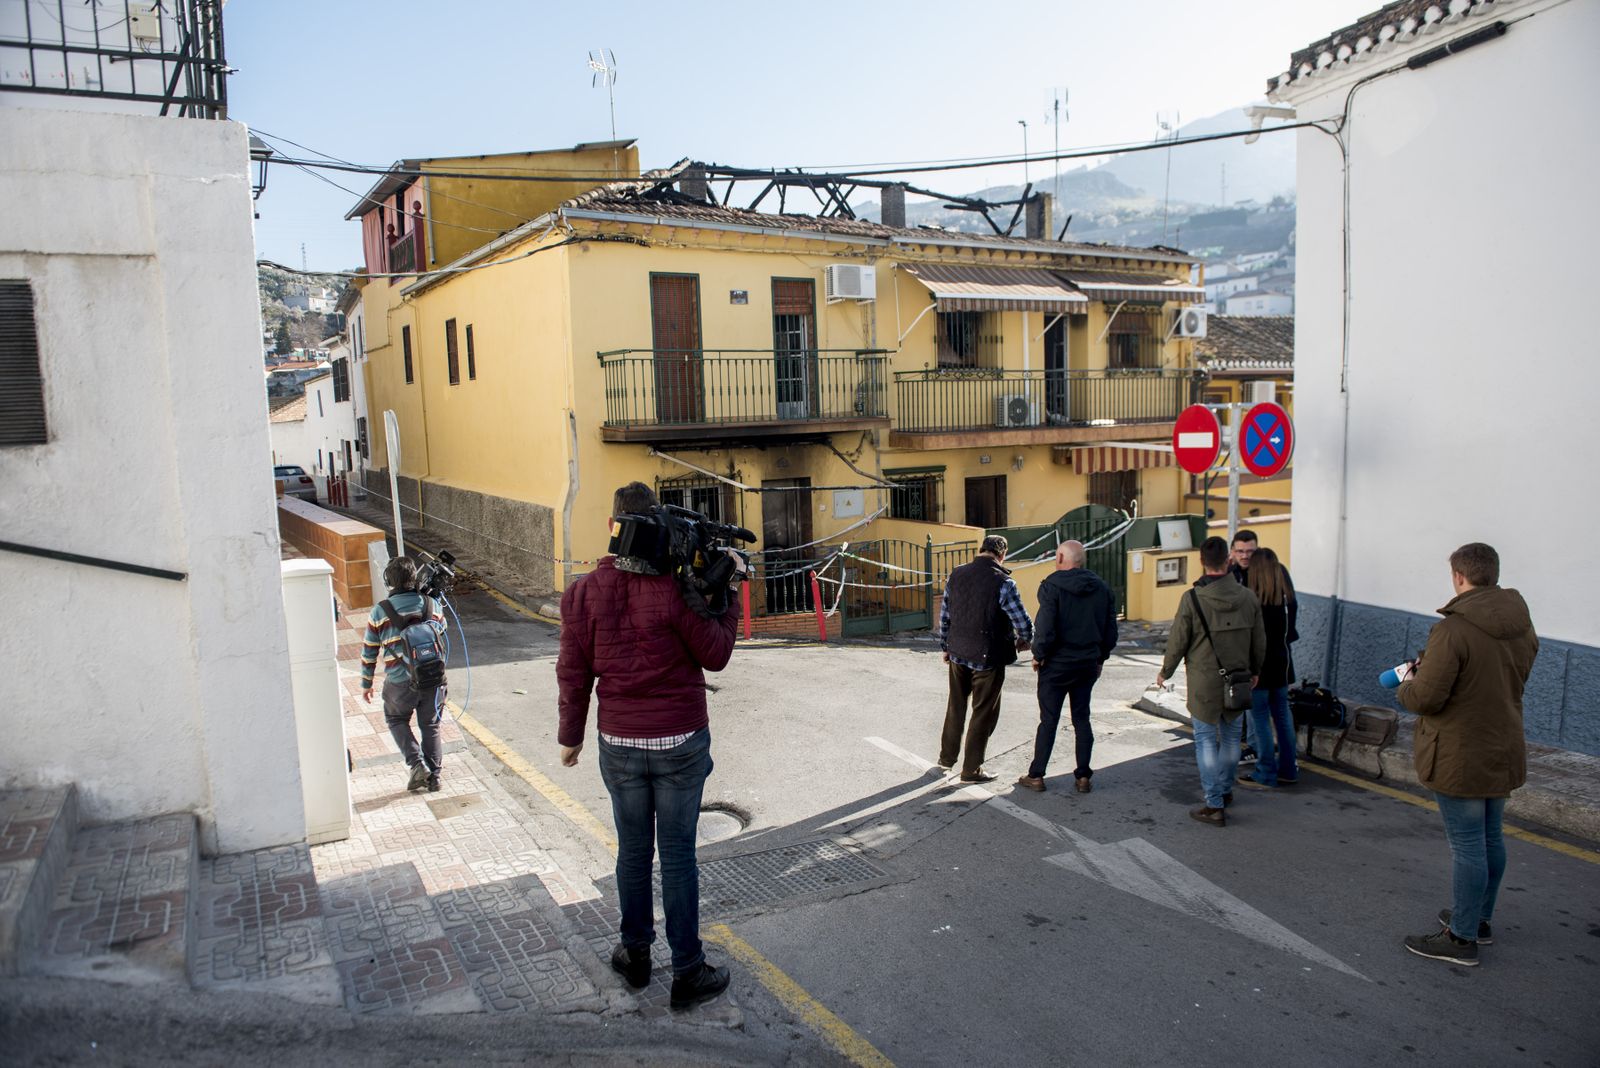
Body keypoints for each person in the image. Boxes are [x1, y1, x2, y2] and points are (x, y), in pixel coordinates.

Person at [556, 482, 744, 1009]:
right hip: (680, 741)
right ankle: (688, 972)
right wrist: (727, 600)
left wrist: (570, 737)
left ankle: (635, 955)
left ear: (615, 525)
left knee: (634, 852)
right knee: (678, 856)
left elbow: (573, 673)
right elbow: (716, 654)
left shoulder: (584, 591)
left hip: (617, 742)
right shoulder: (673, 588)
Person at [1396, 543, 1536, 968]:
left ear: (1459, 577)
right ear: (1492, 573)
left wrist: (1407, 684)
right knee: (1491, 838)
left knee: (1468, 845)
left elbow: (1427, 697)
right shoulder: (1519, 620)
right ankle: (1479, 920)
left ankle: (1459, 938)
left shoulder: (1454, 630)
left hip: (1460, 750)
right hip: (1502, 741)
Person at [1156, 536, 1264, 827]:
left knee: (1205, 740)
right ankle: (1225, 791)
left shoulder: (1192, 599)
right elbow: (1259, 640)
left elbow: (1178, 640)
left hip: (1204, 680)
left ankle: (1213, 802)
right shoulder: (1248, 597)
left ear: (1202, 562)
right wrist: (1255, 671)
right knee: (1231, 738)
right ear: (1228, 560)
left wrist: (1166, 671)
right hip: (1239, 679)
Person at [1016, 540, 1117, 794]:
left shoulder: (1052, 587)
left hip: (1057, 666)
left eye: (1056, 555)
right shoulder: (1102, 588)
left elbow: (1046, 628)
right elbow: (1110, 632)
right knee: (1082, 717)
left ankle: (1036, 775)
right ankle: (1083, 776)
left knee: (1048, 720)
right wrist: (1100, 659)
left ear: (1061, 558)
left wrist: (1038, 655)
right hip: (1087, 664)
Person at [938, 534, 1033, 784]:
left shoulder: (956, 574)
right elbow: (1022, 623)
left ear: (981, 550)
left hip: (958, 652)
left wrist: (945, 645)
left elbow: (945, 615)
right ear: (1002, 555)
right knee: (983, 714)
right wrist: (1025, 639)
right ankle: (971, 770)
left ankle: (946, 759)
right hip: (987, 657)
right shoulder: (1004, 582)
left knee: (955, 707)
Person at [360, 555, 448, 793]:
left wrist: (366, 683)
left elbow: (369, 652)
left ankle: (417, 765)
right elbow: (443, 631)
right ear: (414, 578)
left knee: (396, 719)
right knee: (430, 725)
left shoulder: (380, 611)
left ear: (389, 580)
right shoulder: (432, 604)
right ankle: (435, 777)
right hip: (432, 678)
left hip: (399, 683)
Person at [1239, 547, 1299, 788]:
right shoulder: (1286, 599)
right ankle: (1288, 769)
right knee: (1283, 718)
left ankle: (1265, 772)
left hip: (1259, 668)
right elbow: (1291, 633)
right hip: (1283, 664)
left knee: (1261, 718)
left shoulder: (1253, 601)